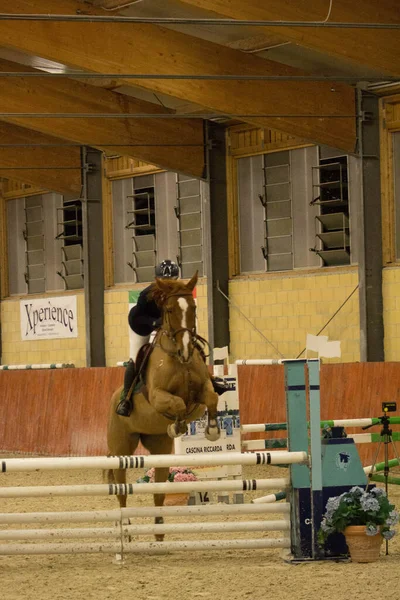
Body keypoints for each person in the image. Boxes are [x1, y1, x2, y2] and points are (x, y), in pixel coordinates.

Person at [116, 259, 228, 417]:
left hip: (168, 328)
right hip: (142, 325)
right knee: (135, 359)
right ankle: (125, 399)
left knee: (193, 347)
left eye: (172, 280)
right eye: (165, 281)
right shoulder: (146, 295)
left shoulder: (180, 292)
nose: (169, 284)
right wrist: (154, 322)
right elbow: (137, 317)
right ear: (158, 280)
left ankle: (210, 380)